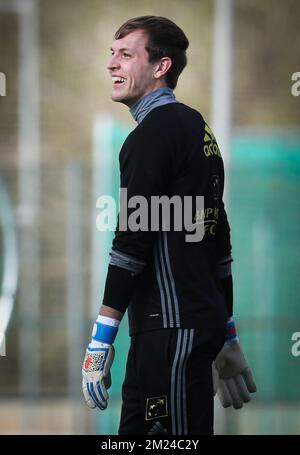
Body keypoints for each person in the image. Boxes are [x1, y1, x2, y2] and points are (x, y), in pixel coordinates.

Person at [82, 15, 256, 435]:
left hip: (172, 335)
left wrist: (101, 340)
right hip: (175, 331)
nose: (112, 64)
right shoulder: (196, 127)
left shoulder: (152, 135)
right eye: (112, 54)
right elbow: (219, 239)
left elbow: (132, 242)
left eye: (126, 55)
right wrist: (225, 328)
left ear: (161, 67)